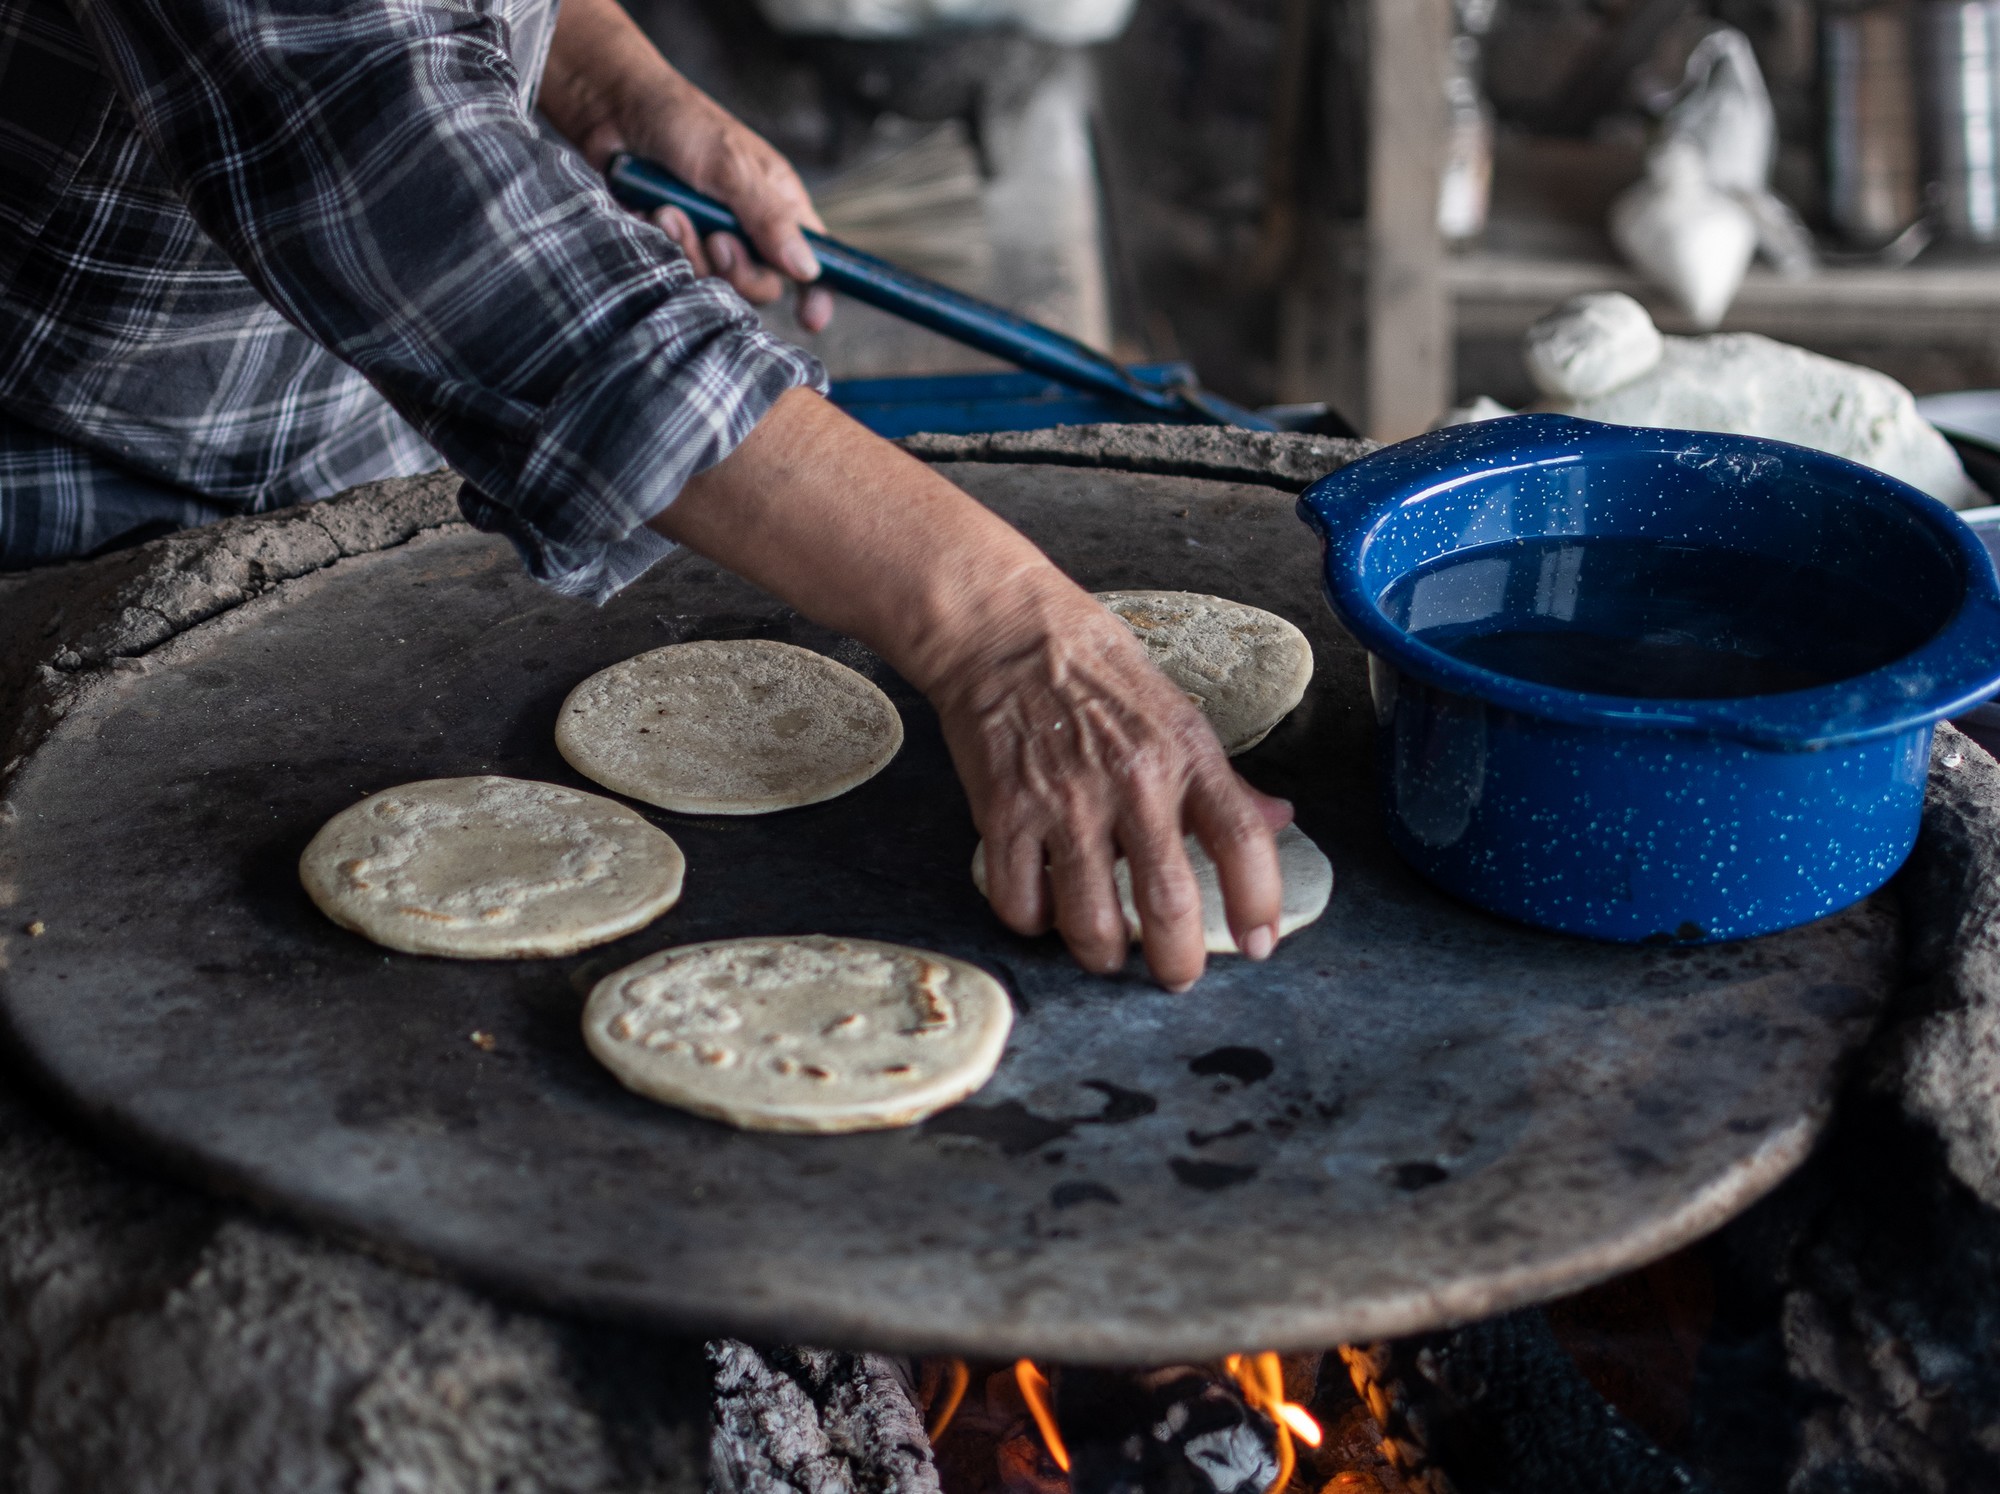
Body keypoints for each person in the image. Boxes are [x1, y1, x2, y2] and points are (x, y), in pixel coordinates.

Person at [0, 0, 1292, 989]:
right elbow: (381, 140)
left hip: (330, 464)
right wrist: (1004, 631)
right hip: (62, 513)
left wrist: (600, 68)